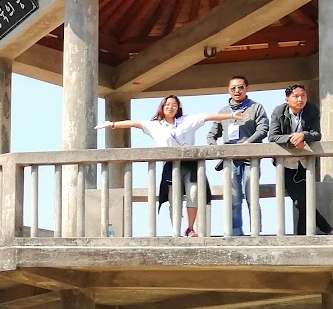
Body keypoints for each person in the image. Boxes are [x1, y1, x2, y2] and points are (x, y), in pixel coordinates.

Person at [100, 96, 247, 237]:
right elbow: (134, 123)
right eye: (167, 104)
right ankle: (175, 229)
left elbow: (208, 117)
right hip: (170, 165)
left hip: (190, 163)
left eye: (174, 105)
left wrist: (233, 115)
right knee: (173, 197)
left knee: (194, 193)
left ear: (178, 108)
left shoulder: (187, 120)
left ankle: (190, 227)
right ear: (162, 107)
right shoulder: (155, 125)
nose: (171, 107)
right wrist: (112, 125)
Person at [205, 75, 268, 236]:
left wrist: (247, 145)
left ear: (247, 88)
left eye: (240, 87)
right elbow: (212, 134)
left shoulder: (256, 107)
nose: (237, 91)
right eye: (233, 88)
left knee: (252, 195)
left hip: (251, 159)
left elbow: (263, 129)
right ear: (229, 90)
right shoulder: (223, 112)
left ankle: (255, 232)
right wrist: (217, 150)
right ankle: (235, 232)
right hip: (230, 161)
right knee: (233, 197)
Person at [266, 83, 331, 235]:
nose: (300, 99)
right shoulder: (279, 111)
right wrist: (292, 138)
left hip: (305, 163)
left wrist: (304, 135)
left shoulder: (311, 109)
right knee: (300, 201)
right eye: (296, 96)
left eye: (303, 96)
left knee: (306, 200)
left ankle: (302, 235)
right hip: (286, 164)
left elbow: (317, 134)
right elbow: (273, 137)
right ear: (287, 99)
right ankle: (327, 228)